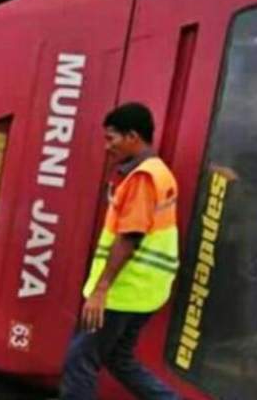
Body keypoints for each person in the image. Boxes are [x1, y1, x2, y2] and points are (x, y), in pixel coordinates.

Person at [60, 103, 180, 400]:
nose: (106, 146)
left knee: (79, 360)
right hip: (146, 291)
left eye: (111, 138)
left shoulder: (142, 178)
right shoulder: (159, 172)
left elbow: (129, 237)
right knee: (118, 359)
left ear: (132, 137)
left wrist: (101, 291)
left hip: (122, 292)